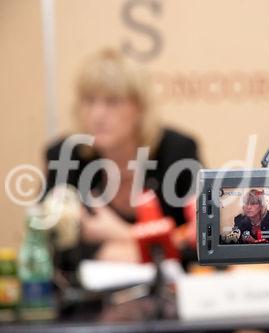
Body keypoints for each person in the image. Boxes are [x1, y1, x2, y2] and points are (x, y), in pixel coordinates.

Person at [44, 49, 200, 272]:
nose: (97, 114)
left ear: (140, 108)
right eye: (89, 101)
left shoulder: (177, 152)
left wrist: (120, 234)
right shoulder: (66, 155)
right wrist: (156, 252)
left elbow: (203, 244)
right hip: (89, 302)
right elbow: (50, 248)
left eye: (112, 101)